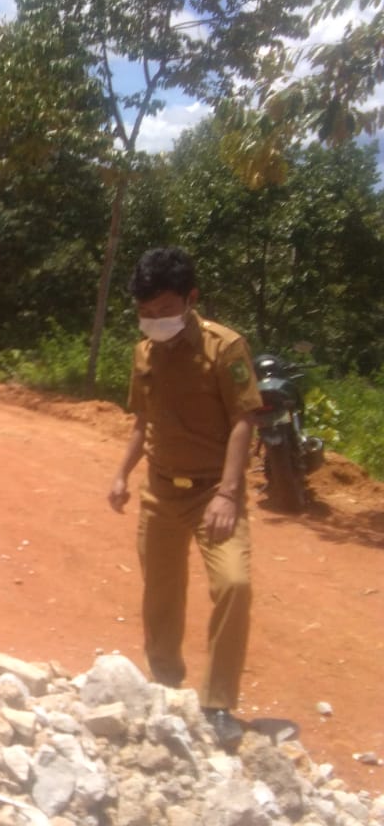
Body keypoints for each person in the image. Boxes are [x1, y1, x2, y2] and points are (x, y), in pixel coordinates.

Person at [108, 247, 263, 748]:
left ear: (191, 299)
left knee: (234, 584)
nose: (154, 322)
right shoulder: (143, 353)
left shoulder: (225, 348)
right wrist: (121, 474)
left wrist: (228, 493)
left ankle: (217, 702)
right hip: (159, 492)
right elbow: (142, 422)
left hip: (213, 495)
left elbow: (245, 419)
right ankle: (166, 685)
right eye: (145, 313)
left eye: (164, 310)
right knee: (161, 597)